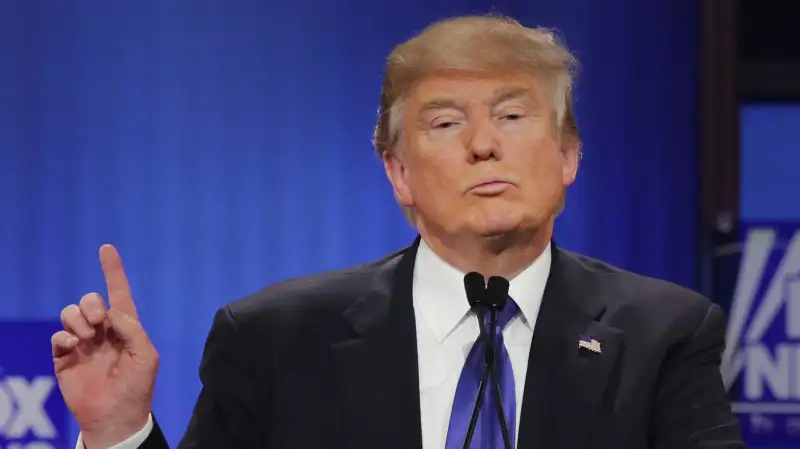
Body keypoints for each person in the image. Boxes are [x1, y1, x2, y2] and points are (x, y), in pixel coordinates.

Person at [52, 14, 745, 449]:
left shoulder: (665, 335)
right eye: (445, 123)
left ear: (568, 154)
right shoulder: (273, 338)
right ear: (398, 172)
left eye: (512, 116)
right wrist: (117, 431)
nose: (483, 144)